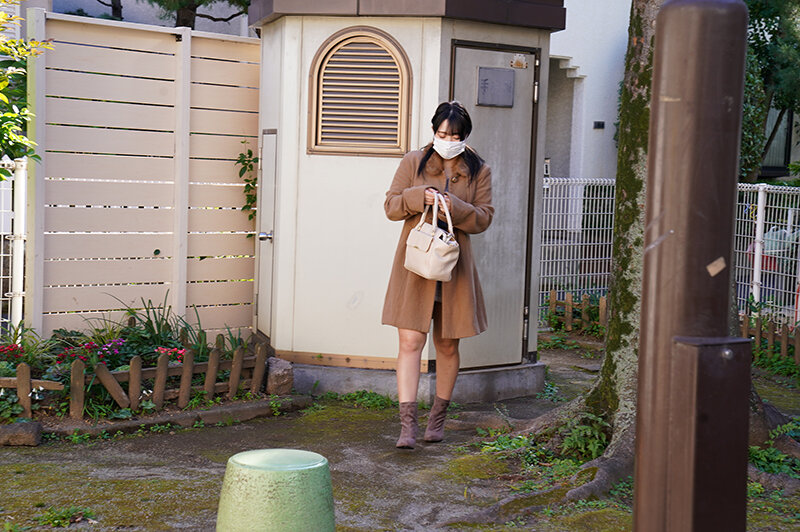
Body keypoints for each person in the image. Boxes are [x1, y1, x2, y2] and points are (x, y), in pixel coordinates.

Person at [382, 101, 494, 449]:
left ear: (465, 136)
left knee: (447, 344)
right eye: (443, 134)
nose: (448, 140)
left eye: (455, 136)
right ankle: (407, 427)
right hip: (416, 265)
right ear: (434, 131)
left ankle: (437, 420)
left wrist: (451, 205)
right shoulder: (413, 161)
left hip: (454, 267)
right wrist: (420, 197)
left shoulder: (479, 170)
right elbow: (391, 206)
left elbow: (484, 217)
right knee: (410, 342)